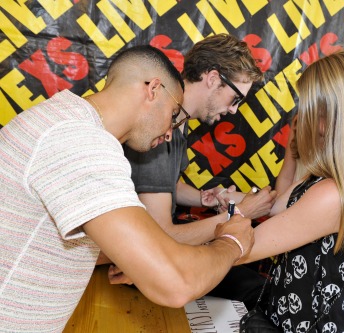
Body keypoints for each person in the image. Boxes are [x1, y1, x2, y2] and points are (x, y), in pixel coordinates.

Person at [0, 45, 255, 332]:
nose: (171, 131)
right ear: (153, 90)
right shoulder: (80, 142)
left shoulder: (66, 121)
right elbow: (176, 283)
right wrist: (232, 243)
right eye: (173, 114)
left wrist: (138, 259)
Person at [237, 48, 344, 331]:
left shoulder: (333, 193)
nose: (302, 112)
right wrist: (292, 152)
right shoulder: (327, 175)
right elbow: (281, 207)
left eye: (308, 105)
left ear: (330, 117)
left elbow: (241, 249)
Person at [117, 34, 276, 309]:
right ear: (213, 78)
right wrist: (239, 215)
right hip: (143, 260)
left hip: (151, 253)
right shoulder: (160, 125)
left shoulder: (179, 122)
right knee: (257, 290)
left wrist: (204, 198)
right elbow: (160, 236)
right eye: (235, 98)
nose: (233, 110)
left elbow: (159, 184)